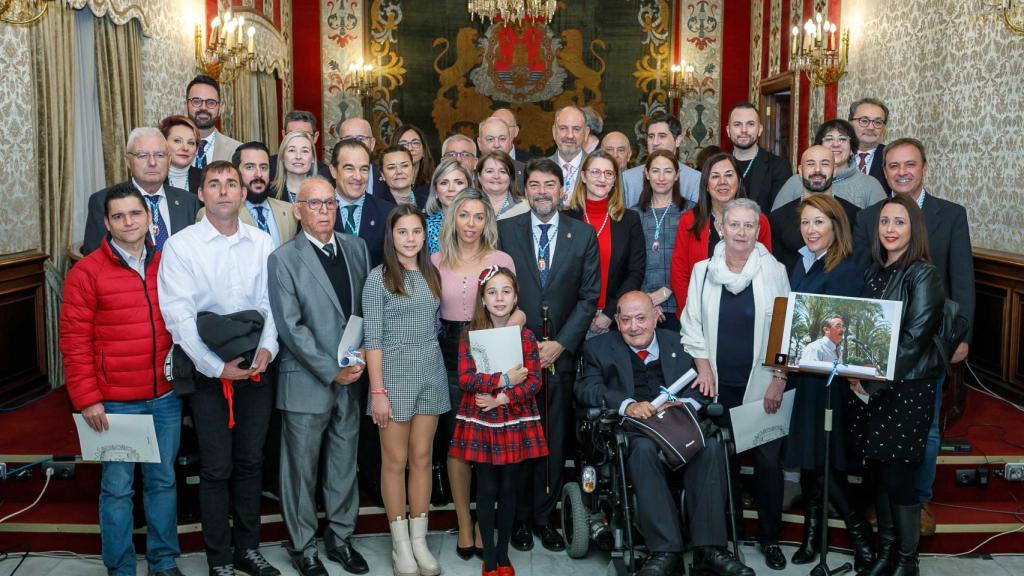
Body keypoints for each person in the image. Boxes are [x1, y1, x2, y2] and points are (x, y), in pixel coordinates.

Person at [158, 161, 280, 576]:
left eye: (233, 184)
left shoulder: (262, 242)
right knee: (216, 466)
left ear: (244, 194)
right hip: (207, 368)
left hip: (255, 366)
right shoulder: (182, 246)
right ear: (202, 194)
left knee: (250, 461)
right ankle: (219, 559)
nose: (225, 191)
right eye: (215, 184)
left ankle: (248, 549)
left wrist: (267, 349)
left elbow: (271, 305)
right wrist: (215, 367)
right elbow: (179, 317)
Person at [577, 292, 754, 576]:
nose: (634, 327)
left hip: (680, 424)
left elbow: (703, 384)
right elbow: (587, 388)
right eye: (625, 320)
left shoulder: (680, 342)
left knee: (710, 446)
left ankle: (710, 549)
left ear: (656, 317)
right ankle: (665, 551)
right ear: (617, 322)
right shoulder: (599, 348)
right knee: (643, 450)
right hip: (636, 429)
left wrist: (685, 405)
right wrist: (628, 405)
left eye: (641, 319)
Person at [852, 137, 974, 535]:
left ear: (924, 167)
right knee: (879, 425)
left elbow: (962, 278)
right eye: (893, 166)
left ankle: (918, 500)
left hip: (930, 345)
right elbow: (862, 278)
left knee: (928, 427)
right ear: (883, 171)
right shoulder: (870, 217)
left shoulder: (951, 214)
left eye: (910, 165)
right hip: (878, 344)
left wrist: (962, 336)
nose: (902, 172)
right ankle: (884, 499)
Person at [60, 187, 184, 576]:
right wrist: (87, 399)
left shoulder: (168, 264)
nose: (129, 222)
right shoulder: (86, 272)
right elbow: (74, 342)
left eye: (135, 214)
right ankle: (121, 568)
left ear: (149, 218)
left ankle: (163, 563)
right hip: (114, 403)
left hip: (164, 397)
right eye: (119, 216)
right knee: (117, 489)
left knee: (163, 483)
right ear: (107, 222)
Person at [680, 198, 791, 571]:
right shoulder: (702, 271)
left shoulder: (772, 269)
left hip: (762, 386)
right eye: (735, 225)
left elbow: (785, 326)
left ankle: (770, 537)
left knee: (768, 465)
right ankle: (725, 537)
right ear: (720, 228)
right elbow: (691, 323)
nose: (741, 232)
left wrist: (778, 378)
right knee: (718, 463)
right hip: (716, 386)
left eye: (749, 226)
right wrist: (702, 367)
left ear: (758, 231)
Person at [267, 178, 371, 576]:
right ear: (298, 209)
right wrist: (333, 371)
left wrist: (361, 355)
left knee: (344, 462)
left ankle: (340, 538)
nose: (325, 210)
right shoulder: (284, 259)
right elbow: (291, 328)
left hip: (355, 372)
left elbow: (365, 309)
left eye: (330, 203)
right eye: (315, 203)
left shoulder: (356, 248)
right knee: (301, 470)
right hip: (309, 380)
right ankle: (303, 545)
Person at [497, 158, 600, 552]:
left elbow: (590, 297)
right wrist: (520, 343)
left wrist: (562, 343)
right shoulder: (506, 231)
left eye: (550, 185)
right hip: (516, 354)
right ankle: (519, 518)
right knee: (518, 437)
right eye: (535, 185)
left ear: (562, 190)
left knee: (553, 439)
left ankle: (545, 517)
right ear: (526, 191)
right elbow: (497, 292)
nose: (542, 191)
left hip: (561, 355)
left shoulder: (582, 234)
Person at [849, 194, 946, 576]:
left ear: (914, 229)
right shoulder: (874, 271)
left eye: (899, 222)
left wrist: (872, 383)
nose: (890, 229)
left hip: (905, 388)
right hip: (872, 387)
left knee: (898, 475)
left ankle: (908, 561)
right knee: (879, 472)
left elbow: (913, 340)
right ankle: (887, 552)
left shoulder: (923, 274)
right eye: (885, 222)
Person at [778, 194, 873, 570]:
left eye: (819, 222)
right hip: (806, 377)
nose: (811, 230)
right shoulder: (804, 264)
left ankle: (861, 537)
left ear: (836, 226)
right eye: (806, 223)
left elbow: (845, 331)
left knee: (826, 459)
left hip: (830, 382)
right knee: (811, 463)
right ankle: (813, 537)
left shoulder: (846, 268)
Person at [431, 189, 520, 561]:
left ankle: (485, 525)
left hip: (490, 349)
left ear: (488, 221)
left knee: (487, 442)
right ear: (453, 219)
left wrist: (504, 345)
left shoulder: (500, 258)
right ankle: (464, 523)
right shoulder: (435, 261)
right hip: (449, 353)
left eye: (478, 217)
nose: (471, 224)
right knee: (457, 441)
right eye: (464, 216)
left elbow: (515, 307)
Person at [364, 204, 449, 576]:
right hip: (393, 379)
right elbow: (372, 338)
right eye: (403, 232)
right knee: (394, 462)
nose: (411, 238)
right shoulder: (378, 278)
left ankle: (419, 539)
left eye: (416, 231)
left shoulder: (432, 274)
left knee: (422, 458)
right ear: (391, 236)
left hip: (431, 373)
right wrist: (377, 391)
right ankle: (400, 544)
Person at [451, 266, 548, 576]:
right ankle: (489, 558)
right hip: (481, 420)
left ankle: (504, 556)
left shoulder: (527, 336)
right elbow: (466, 378)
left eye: (506, 291)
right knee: (487, 485)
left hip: (514, 417)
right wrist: (503, 378)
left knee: (509, 487)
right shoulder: (470, 335)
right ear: (483, 299)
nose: (499, 298)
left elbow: (534, 381)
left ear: (516, 296)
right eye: (492, 292)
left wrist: (502, 397)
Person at [669, 153, 772, 314]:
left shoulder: (759, 220)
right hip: (700, 312)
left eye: (729, 175)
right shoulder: (689, 221)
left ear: (738, 181)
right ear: (706, 184)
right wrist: (691, 315)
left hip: (748, 312)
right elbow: (679, 274)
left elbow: (767, 270)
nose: (722, 182)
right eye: (715, 176)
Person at [564, 150, 646, 337]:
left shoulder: (629, 220)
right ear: (583, 176)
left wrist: (610, 313)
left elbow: (635, 272)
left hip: (614, 320)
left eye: (608, 173)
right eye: (595, 172)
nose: (602, 178)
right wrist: (581, 315)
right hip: (570, 319)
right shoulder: (565, 219)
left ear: (614, 180)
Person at [83, 128, 200, 255]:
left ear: (169, 160)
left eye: (160, 155)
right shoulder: (103, 201)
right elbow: (95, 260)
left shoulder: (189, 201)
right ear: (128, 161)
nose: (152, 162)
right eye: (143, 155)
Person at [770, 145, 861, 275]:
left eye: (824, 164)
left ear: (834, 170)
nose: (817, 170)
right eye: (810, 164)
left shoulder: (855, 216)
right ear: (800, 171)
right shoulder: (778, 218)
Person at [631, 149, 690, 331]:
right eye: (655, 171)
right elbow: (630, 263)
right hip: (639, 307)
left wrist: (664, 293)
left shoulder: (690, 212)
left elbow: (694, 260)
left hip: (679, 303)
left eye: (668, 171)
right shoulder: (633, 214)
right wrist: (647, 300)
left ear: (677, 175)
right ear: (647, 174)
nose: (661, 177)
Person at [771, 119, 887, 210]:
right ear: (819, 145)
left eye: (842, 139)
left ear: (852, 149)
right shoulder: (796, 182)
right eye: (829, 139)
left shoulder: (871, 185)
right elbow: (777, 223)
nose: (836, 144)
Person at [329, 139, 396, 267]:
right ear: (333, 171)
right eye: (349, 168)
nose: (358, 177)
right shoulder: (317, 210)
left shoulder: (388, 213)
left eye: (364, 169)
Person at [621, 112, 701, 207]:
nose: (655, 142)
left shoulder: (695, 179)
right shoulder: (627, 178)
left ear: (678, 140)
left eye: (662, 136)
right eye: (651, 136)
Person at [726, 102, 792, 214]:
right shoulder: (716, 166)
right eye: (737, 124)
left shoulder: (779, 167)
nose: (744, 130)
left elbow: (781, 215)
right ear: (728, 130)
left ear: (760, 129)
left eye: (750, 124)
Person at [232, 141, 297, 248]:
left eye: (263, 167)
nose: (259, 174)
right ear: (236, 172)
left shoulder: (290, 211)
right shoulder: (223, 214)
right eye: (250, 167)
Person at [185, 74, 241, 167]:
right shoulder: (168, 149)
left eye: (211, 103)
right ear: (185, 106)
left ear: (221, 109)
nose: (203, 108)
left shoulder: (237, 151)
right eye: (196, 101)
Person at [269, 110, 335, 184]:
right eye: (292, 134)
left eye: (305, 134)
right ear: (284, 135)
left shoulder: (326, 175)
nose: (299, 139)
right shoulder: (268, 167)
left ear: (315, 137)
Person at [425, 158, 473, 254]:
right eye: (444, 183)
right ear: (435, 191)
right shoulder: (425, 227)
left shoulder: (481, 223)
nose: (451, 189)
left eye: (459, 182)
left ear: (469, 188)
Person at [848, 97, 892, 195]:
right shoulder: (838, 155)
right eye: (864, 121)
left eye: (878, 122)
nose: (871, 127)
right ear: (850, 123)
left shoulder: (891, 157)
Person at [549, 105, 589, 204]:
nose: (570, 135)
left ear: (586, 133)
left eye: (576, 129)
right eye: (563, 128)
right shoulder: (539, 169)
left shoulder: (599, 169)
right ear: (554, 132)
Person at [339, 117, 387, 196]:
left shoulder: (387, 177)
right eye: (348, 139)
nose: (355, 144)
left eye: (360, 139)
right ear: (339, 145)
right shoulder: (325, 179)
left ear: (372, 144)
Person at [476, 150, 530, 221]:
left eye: (502, 171)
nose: (496, 176)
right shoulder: (467, 206)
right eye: (489, 171)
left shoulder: (525, 207)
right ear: (479, 176)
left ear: (510, 177)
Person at [159, 115, 202, 194]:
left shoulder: (205, 179)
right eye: (177, 141)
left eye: (191, 143)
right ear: (163, 143)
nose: (185, 148)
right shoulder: (152, 178)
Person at [478, 116, 525, 189]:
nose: (497, 145)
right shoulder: (471, 172)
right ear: (479, 143)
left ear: (510, 141)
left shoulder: (525, 172)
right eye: (490, 139)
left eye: (502, 139)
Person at [272, 130, 318, 202]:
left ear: (313, 158)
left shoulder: (324, 194)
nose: (298, 156)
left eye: (304, 151)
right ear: (282, 156)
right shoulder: (269, 194)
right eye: (292, 150)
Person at [379, 144, 429, 209]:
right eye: (391, 167)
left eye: (404, 166)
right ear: (382, 175)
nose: (399, 172)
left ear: (413, 170)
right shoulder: (377, 206)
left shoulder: (429, 202)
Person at [392, 124, 436, 188]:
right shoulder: (383, 185)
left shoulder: (434, 185)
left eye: (415, 143)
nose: (410, 148)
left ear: (424, 151)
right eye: (403, 144)